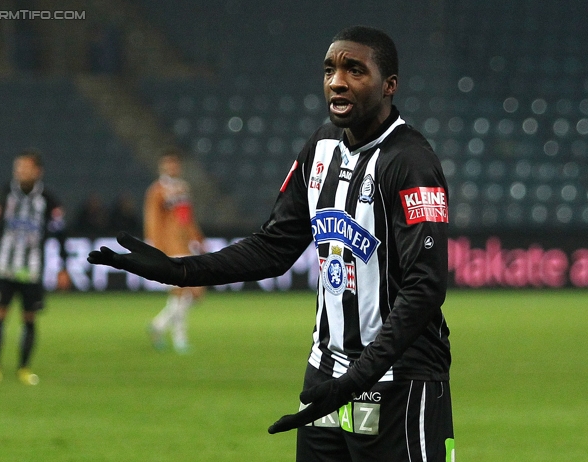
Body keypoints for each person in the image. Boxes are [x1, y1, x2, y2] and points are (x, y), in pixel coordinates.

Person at [88, 26, 454, 461]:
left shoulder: (410, 162)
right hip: (326, 374)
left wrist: (362, 374)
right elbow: (275, 246)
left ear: (389, 85)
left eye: (355, 70)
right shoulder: (320, 149)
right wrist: (182, 269)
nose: (337, 81)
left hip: (397, 380)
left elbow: (425, 286)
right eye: (330, 69)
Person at [0, 149, 70, 385]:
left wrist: (63, 267)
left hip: (31, 269)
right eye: (18, 168)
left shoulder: (49, 200)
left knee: (29, 318)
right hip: (5, 267)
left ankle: (23, 368)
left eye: (25, 168)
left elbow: (61, 233)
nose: (20, 172)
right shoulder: (3, 194)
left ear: (38, 171)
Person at [144, 153, 205, 353]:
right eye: (168, 164)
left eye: (175, 163)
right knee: (182, 290)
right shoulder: (157, 191)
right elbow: (152, 220)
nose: (172, 167)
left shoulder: (182, 188)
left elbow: (187, 217)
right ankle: (179, 339)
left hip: (185, 244)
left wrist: (197, 238)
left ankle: (158, 326)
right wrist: (155, 247)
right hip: (169, 246)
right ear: (162, 166)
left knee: (195, 293)